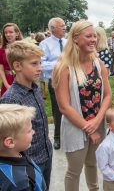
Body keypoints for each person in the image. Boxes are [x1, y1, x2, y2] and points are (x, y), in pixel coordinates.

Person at [52, 20, 112, 191]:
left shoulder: (99, 65)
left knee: (93, 165)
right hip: (75, 127)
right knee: (74, 171)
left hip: (97, 125)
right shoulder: (64, 67)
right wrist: (89, 128)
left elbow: (107, 95)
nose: (93, 39)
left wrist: (97, 123)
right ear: (75, 38)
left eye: (95, 36)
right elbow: (64, 107)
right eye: (89, 36)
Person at [0, 41, 53, 190]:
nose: (39, 68)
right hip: (28, 161)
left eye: (40, 63)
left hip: (45, 153)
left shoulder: (35, 89)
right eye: (34, 64)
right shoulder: (11, 99)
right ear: (17, 66)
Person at [0, 104, 47, 191]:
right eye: (29, 130)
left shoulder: (17, 152)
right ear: (10, 142)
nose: (33, 132)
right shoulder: (20, 183)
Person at [39, 17, 67, 150]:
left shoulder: (68, 43)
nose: (64, 27)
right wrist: (59, 64)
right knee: (58, 110)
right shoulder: (44, 44)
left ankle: (68, 135)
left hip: (70, 79)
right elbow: (42, 64)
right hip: (55, 81)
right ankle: (57, 137)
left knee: (72, 107)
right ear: (53, 28)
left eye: (64, 25)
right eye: (61, 25)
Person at [0, 23, 23, 96]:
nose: (8, 35)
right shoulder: (1, 50)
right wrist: (6, 85)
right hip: (8, 80)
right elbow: (1, 69)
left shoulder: (24, 48)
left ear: (17, 33)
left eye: (10, 32)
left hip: (22, 78)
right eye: (6, 33)